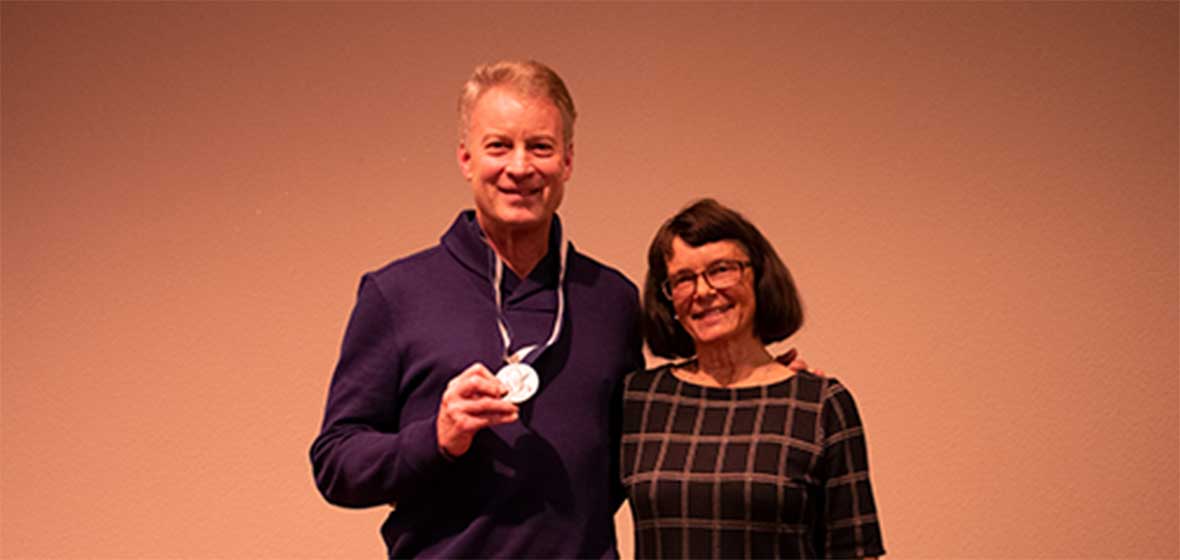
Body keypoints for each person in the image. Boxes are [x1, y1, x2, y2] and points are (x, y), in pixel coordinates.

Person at [309, 60, 644, 557]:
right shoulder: (396, 293)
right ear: (466, 159)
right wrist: (436, 439)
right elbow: (336, 464)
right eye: (499, 146)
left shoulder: (611, 299)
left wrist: (758, 377)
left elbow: (639, 447)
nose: (520, 166)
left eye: (541, 147)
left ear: (568, 161)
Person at [621, 198, 885, 559]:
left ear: (758, 276)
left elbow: (855, 552)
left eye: (722, 270)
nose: (703, 291)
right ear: (667, 298)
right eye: (683, 279)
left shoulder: (820, 404)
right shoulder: (639, 400)